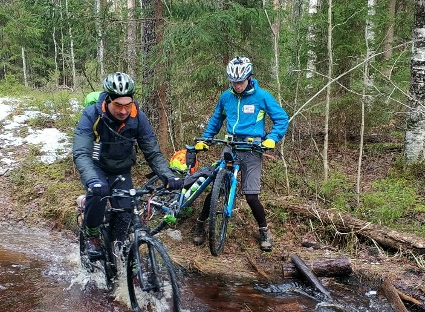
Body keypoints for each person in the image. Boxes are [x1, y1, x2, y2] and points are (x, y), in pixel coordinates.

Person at [73, 72, 183, 259]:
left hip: (121, 169)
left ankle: (119, 255)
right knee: (99, 193)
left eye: (127, 105)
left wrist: (168, 176)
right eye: (118, 105)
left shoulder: (137, 117)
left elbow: (152, 152)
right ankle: (92, 235)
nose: (123, 111)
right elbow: (81, 152)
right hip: (96, 166)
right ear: (108, 100)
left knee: (125, 215)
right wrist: (92, 180)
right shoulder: (92, 115)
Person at [193, 56, 289, 252]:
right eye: (233, 82)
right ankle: (200, 224)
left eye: (240, 82)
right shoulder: (226, 97)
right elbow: (215, 120)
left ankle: (264, 231)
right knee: (216, 190)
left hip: (253, 151)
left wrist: (272, 138)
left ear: (249, 78)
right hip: (231, 147)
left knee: (251, 196)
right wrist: (205, 139)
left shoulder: (262, 96)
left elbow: (282, 119)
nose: (236, 85)